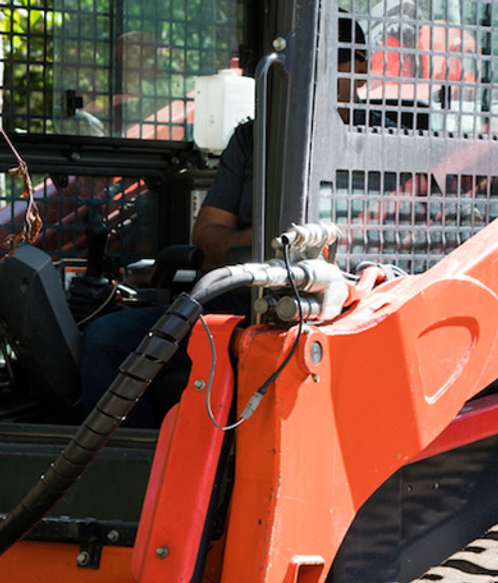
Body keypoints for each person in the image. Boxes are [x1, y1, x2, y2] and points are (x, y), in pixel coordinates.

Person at [77, 19, 367, 428]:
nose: (307, 81)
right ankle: (134, 475)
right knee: (107, 340)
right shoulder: (252, 140)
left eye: (325, 65)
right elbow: (207, 235)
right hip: (238, 302)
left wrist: (263, 243)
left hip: (333, 311)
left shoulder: (377, 147)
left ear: (359, 70)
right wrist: (269, 245)